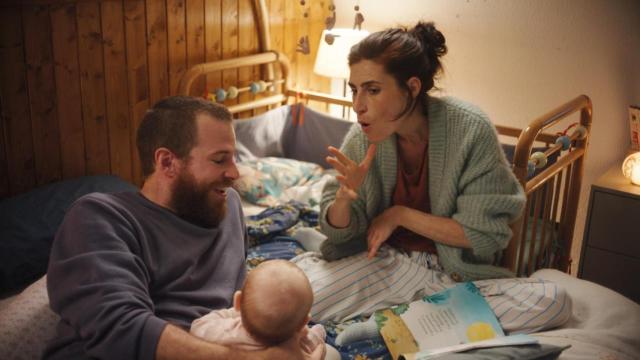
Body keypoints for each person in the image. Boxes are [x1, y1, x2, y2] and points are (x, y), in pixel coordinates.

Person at [291, 21, 571, 344]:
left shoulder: (469, 129)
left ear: (411, 87)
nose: (357, 105)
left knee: (554, 300)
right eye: (354, 90)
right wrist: (343, 198)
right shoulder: (364, 134)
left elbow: (482, 233)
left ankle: (391, 325)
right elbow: (342, 229)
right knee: (283, 297)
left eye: (373, 90)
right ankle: (415, 319)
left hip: (452, 279)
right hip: (385, 264)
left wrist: (398, 214)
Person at [44, 96, 324, 360]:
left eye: (234, 158)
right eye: (219, 160)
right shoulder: (101, 217)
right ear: (167, 162)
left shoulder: (228, 206)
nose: (235, 173)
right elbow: (122, 329)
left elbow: (238, 309)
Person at [190, 260, 336, 359]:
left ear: (237, 301)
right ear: (304, 322)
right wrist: (318, 335)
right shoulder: (302, 343)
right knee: (333, 354)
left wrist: (236, 311)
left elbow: (196, 327)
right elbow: (317, 344)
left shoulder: (221, 332)